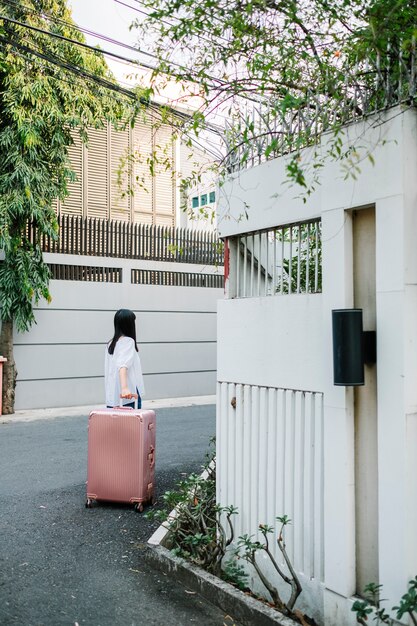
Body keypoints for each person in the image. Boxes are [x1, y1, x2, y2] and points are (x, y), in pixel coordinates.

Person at [105, 309, 145, 409]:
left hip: (113, 396)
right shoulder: (128, 341)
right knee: (132, 424)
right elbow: (123, 366)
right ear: (129, 325)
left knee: (115, 424)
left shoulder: (111, 344)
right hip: (127, 396)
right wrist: (125, 388)